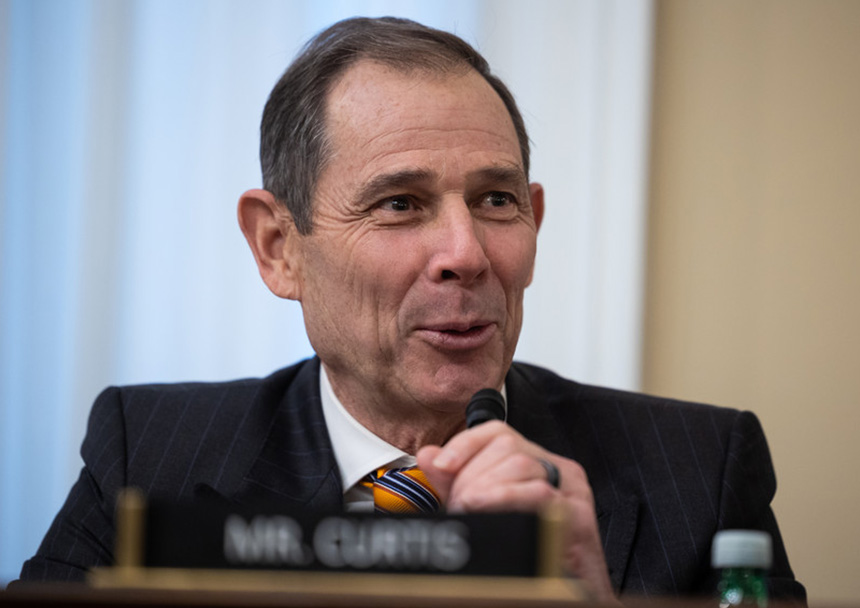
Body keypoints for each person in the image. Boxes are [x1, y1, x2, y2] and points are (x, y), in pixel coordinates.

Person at [18, 16, 805, 603]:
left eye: (496, 200)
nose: (466, 252)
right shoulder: (149, 456)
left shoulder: (701, 472)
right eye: (399, 203)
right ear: (278, 247)